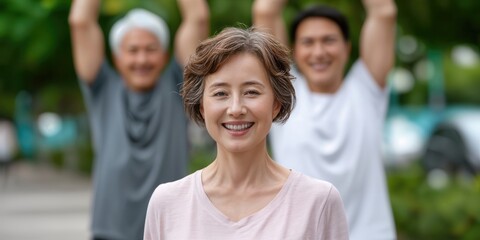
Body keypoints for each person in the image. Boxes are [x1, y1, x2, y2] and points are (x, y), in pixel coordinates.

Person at [144, 27, 349, 240]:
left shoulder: (318, 202)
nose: (235, 109)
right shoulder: (167, 203)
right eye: (220, 93)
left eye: (251, 92)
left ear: (276, 103)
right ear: (202, 106)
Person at [253, 0, 397, 239]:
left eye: (329, 40)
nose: (319, 52)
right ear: (293, 51)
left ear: (347, 48)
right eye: (308, 42)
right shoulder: (284, 97)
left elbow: (384, 10)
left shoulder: (367, 89)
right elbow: (265, 10)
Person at [68, 0, 209, 239]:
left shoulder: (179, 87)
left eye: (150, 49)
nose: (141, 60)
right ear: (117, 58)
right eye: (132, 50)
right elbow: (80, 21)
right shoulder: (101, 87)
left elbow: (198, 18)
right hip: (110, 229)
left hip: (170, 227)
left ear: (165, 56)